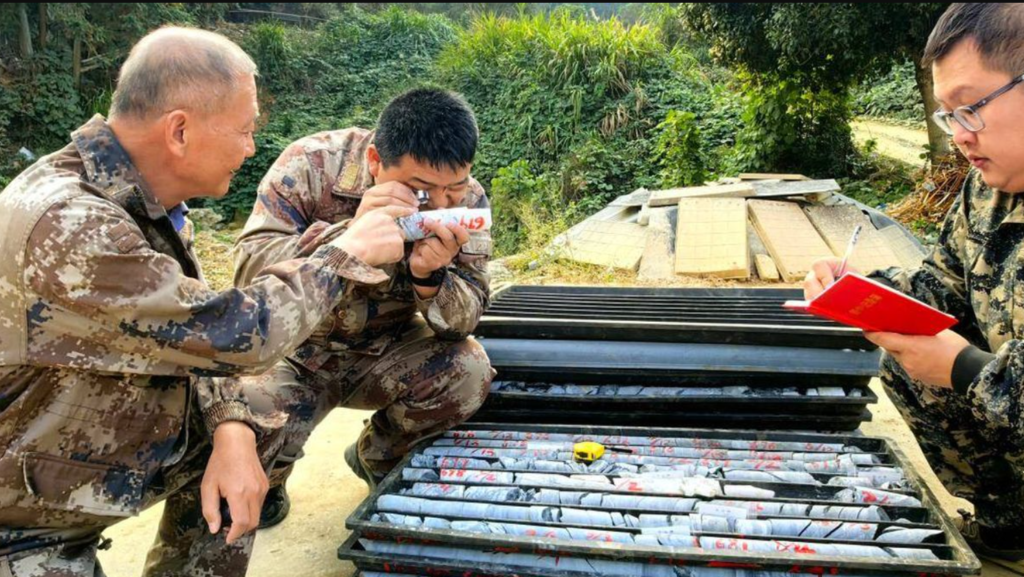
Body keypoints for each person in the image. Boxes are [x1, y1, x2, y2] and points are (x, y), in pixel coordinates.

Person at [0, 26, 411, 577]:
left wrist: (231, 426)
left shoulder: (139, 199)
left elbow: (188, 337)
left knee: (255, 420)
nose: (251, 147)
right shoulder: (72, 224)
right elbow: (230, 333)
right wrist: (345, 253)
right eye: (244, 130)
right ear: (179, 131)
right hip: (21, 522)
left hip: (65, 467)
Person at [804, 4, 1024, 572]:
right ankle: (1010, 526)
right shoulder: (989, 190)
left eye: (971, 108)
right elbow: (942, 282)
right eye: (948, 115)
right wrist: (859, 291)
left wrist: (965, 368)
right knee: (903, 355)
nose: (960, 136)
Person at [233, 87, 494, 527]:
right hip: (296, 350)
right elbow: (249, 278)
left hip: (387, 349)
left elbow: (464, 320)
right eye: (421, 191)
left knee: (468, 370)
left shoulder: (468, 200)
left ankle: (378, 456)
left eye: (454, 188)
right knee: (239, 415)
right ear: (375, 161)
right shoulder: (310, 164)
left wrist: (430, 279)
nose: (440, 204)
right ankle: (270, 477)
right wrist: (347, 237)